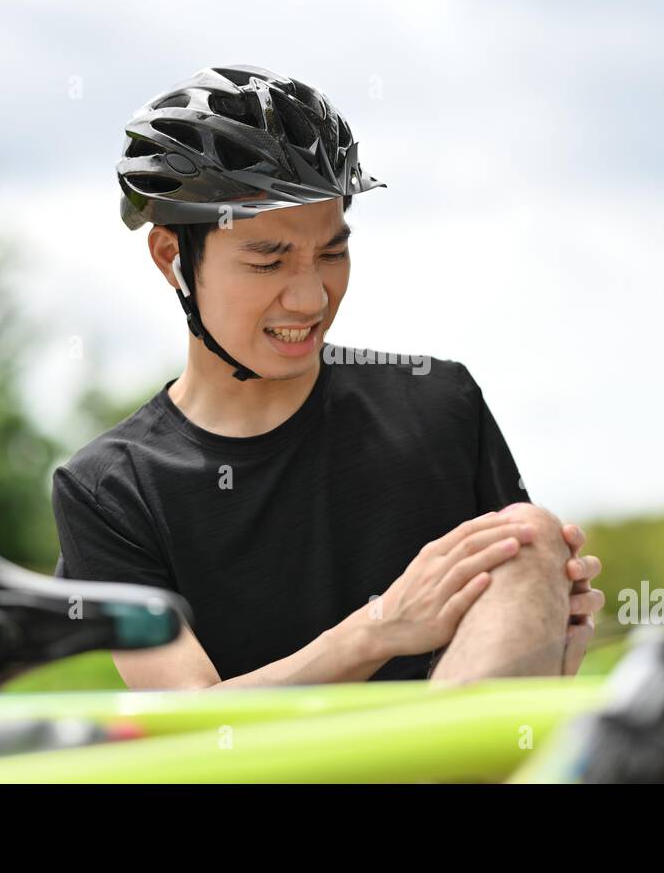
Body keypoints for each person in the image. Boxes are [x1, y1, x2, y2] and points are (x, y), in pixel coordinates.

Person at [52, 65, 603, 688]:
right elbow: (187, 720)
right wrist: (380, 628)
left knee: (529, 539)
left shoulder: (440, 403)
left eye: (332, 253)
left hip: (453, 764)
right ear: (172, 258)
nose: (311, 297)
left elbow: (506, 655)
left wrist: (545, 640)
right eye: (269, 260)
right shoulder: (108, 489)